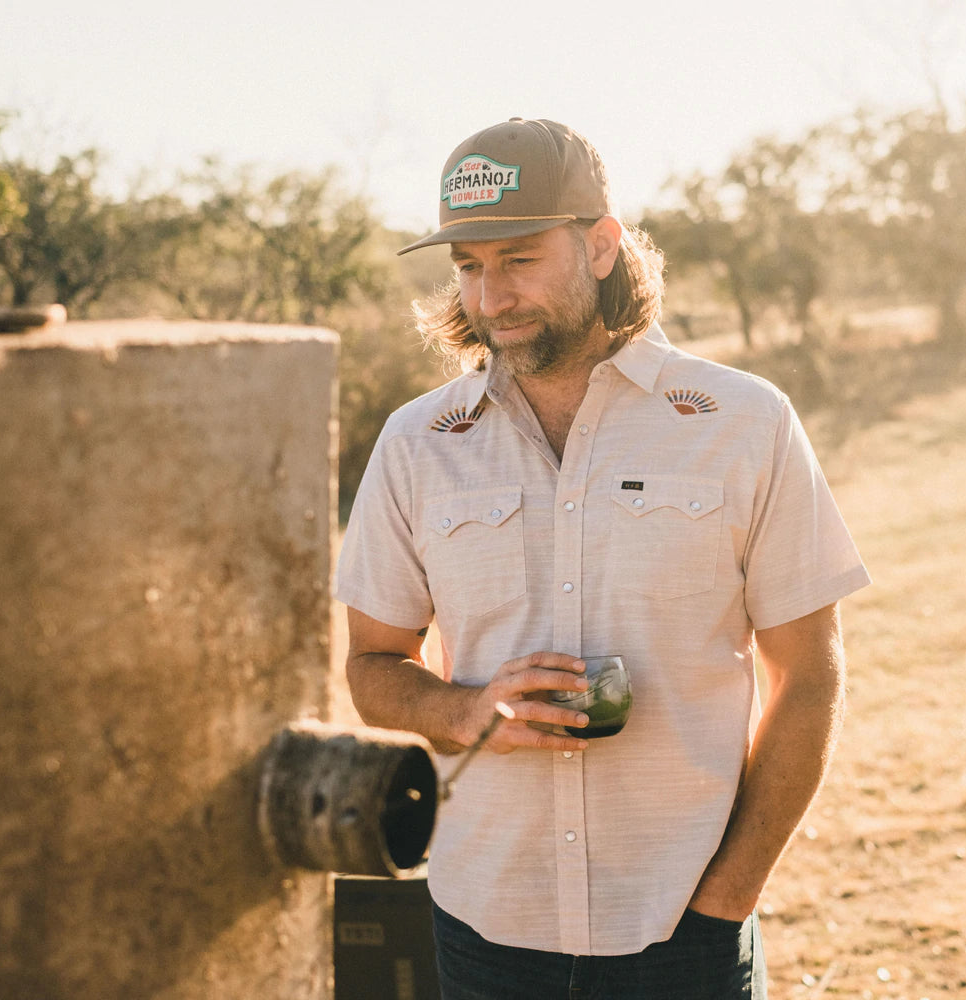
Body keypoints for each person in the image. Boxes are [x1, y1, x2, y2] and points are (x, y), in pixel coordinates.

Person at [335, 117, 870, 1000]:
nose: (491, 297)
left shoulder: (745, 422)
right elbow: (370, 666)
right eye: (469, 266)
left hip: (686, 929)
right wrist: (464, 711)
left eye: (519, 259)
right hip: (484, 926)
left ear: (601, 245)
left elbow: (809, 678)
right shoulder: (416, 443)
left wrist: (726, 901)